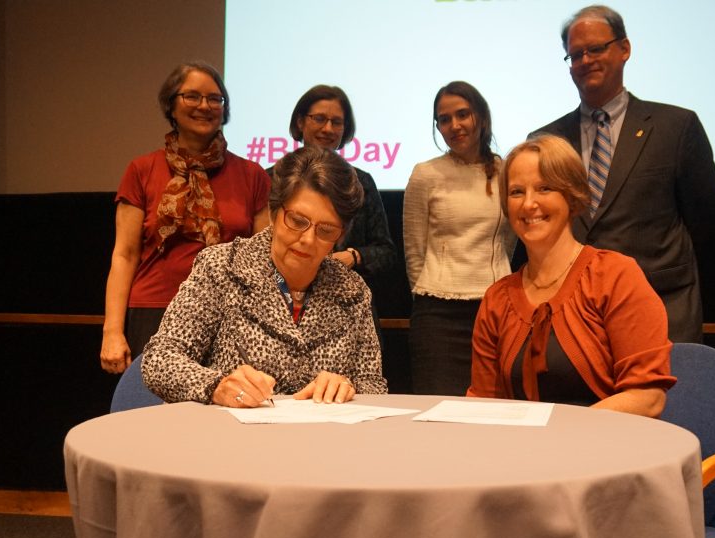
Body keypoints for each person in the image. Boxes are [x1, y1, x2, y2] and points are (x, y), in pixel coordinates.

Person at [141, 145, 388, 407]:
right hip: (234, 438)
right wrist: (216, 386)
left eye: (326, 230)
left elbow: (373, 385)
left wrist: (347, 387)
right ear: (273, 213)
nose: (307, 240)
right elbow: (160, 359)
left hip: (320, 440)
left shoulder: (351, 291)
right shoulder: (222, 267)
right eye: (297, 220)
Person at [531, 5, 715, 343]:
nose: (585, 60)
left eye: (596, 48)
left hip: (662, 306)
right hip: (575, 314)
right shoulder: (547, 141)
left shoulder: (676, 128)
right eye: (575, 55)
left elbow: (704, 220)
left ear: (624, 48)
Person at [468, 135, 675, 416]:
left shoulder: (614, 276)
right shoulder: (497, 299)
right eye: (517, 192)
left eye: (544, 188)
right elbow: (483, 402)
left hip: (608, 451)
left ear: (571, 195)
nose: (529, 204)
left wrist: (558, 432)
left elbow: (647, 397)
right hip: (523, 454)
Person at [100, 61, 271, 374]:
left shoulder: (252, 175)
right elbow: (124, 255)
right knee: (152, 417)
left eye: (214, 99)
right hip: (155, 310)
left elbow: (265, 258)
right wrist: (112, 331)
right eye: (192, 96)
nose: (204, 106)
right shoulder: (141, 170)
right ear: (171, 105)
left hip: (230, 313)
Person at [403, 81, 517, 395]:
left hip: (496, 311)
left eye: (462, 114)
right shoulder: (425, 174)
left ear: (480, 116)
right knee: (437, 417)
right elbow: (414, 252)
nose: (454, 125)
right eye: (444, 119)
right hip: (437, 316)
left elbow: (509, 241)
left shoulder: (508, 171)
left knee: (496, 412)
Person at [277, 85, 397, 310]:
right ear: (301, 122)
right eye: (319, 118)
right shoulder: (276, 177)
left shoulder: (361, 183)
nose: (328, 128)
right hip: (281, 303)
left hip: (346, 307)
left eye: (337, 122)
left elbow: (386, 253)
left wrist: (355, 255)